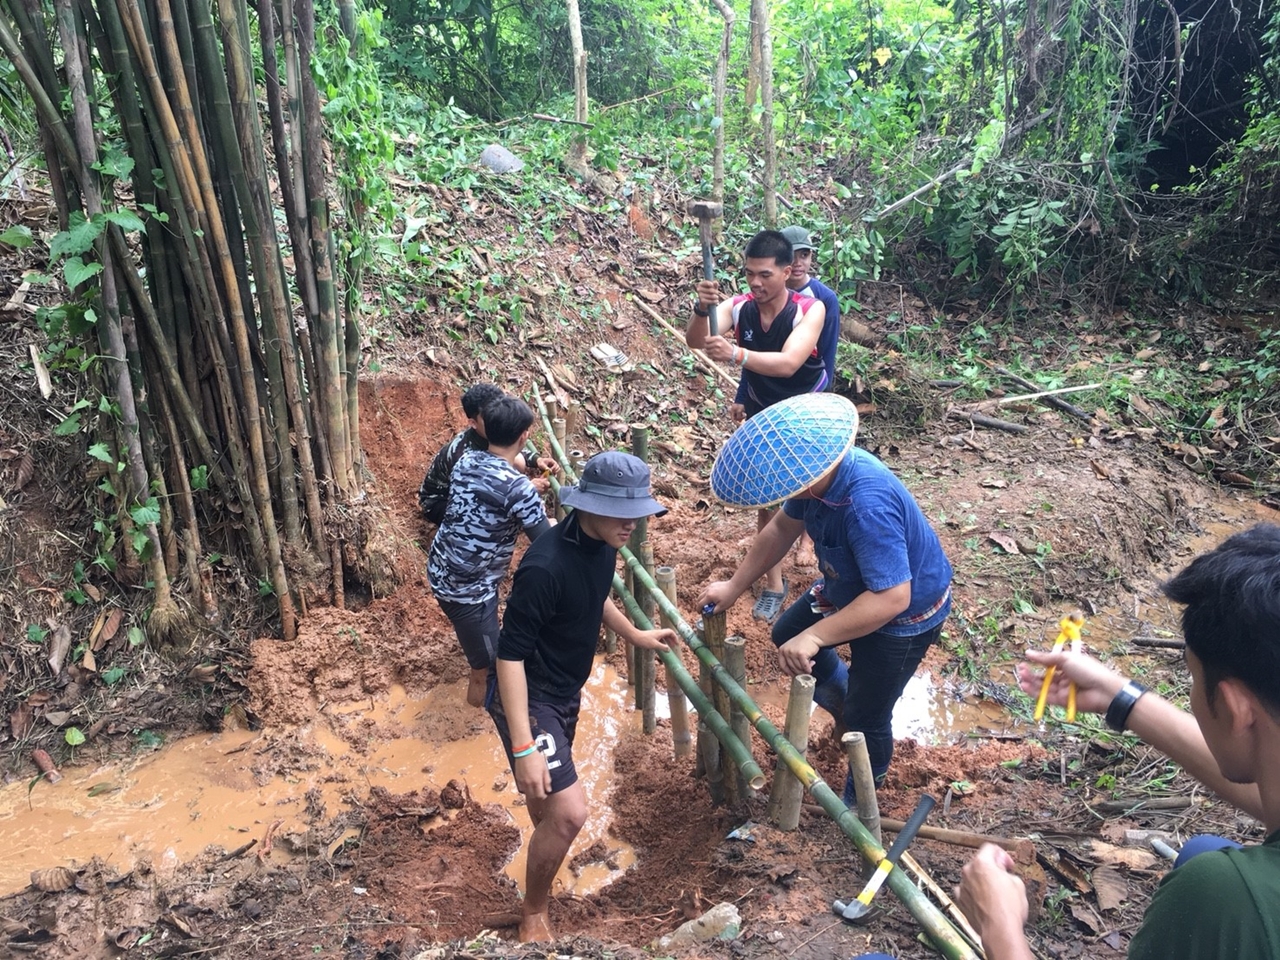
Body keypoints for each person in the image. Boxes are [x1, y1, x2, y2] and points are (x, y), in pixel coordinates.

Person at [956, 522, 1280, 960]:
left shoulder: (1225, 898)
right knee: (1201, 849)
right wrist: (1119, 698)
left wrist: (999, 930)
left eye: (1192, 675)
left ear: (1233, 707)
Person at [697, 393, 952, 803]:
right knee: (787, 634)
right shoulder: (813, 483)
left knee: (869, 716)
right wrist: (734, 586)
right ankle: (844, 704)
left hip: (904, 614)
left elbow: (892, 598)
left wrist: (815, 636)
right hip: (846, 586)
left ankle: (861, 797)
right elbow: (780, 530)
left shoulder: (865, 504)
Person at [487, 451, 678, 943]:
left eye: (636, 514)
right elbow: (508, 657)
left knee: (548, 805)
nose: (631, 525)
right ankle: (533, 913)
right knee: (571, 812)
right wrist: (524, 745)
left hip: (564, 689)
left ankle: (542, 866)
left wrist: (635, 634)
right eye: (621, 513)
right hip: (531, 695)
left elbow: (595, 596)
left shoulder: (601, 542)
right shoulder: (545, 566)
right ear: (588, 505)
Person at [687, 229, 828, 623]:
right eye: (749, 273)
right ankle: (774, 582)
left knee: (817, 494)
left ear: (786, 272)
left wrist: (735, 353)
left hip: (806, 413)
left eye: (765, 274)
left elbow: (789, 363)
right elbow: (696, 340)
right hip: (766, 414)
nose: (755, 282)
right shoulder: (741, 307)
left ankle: (828, 569)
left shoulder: (809, 309)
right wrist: (702, 309)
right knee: (768, 498)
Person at [427, 396, 553, 707]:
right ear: (523, 436)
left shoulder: (467, 460)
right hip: (467, 590)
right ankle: (475, 721)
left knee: (488, 654)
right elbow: (546, 542)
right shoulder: (519, 489)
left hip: (442, 567)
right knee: (488, 669)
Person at [418, 383, 557, 524]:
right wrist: (525, 491)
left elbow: (509, 449)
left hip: (472, 491)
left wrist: (536, 460)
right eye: (489, 417)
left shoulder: (492, 431)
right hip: (441, 502)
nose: (497, 419)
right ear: (473, 423)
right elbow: (480, 495)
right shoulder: (465, 455)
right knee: (497, 514)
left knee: (518, 461)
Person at [779, 225, 841, 390]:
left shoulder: (825, 298)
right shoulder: (770, 292)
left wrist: (823, 394)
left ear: (811, 256)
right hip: (771, 382)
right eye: (791, 256)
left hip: (809, 385)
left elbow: (828, 350)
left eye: (804, 255)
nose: (798, 263)